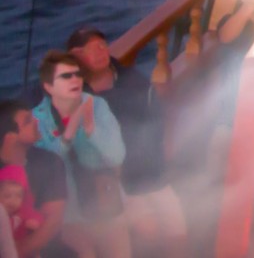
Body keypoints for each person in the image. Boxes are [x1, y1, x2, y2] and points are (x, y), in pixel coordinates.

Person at [67, 27, 188, 256]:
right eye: (91, 49)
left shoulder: (133, 81)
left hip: (150, 171)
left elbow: (158, 119)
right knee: (148, 232)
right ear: (76, 56)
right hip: (112, 183)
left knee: (177, 230)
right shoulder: (73, 96)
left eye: (102, 46)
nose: (101, 52)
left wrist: (164, 152)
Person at [32, 51, 130, 258]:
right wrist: (67, 136)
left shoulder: (97, 105)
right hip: (68, 212)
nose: (74, 79)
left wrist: (92, 130)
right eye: (66, 76)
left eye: (77, 74)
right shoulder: (38, 119)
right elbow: (46, 166)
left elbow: (117, 156)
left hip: (104, 199)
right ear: (48, 87)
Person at [0, 99, 77, 258]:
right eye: (28, 121)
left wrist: (15, 253)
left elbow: (52, 221)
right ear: (10, 137)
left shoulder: (49, 161)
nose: (36, 121)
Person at [0, 164, 44, 244]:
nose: (13, 201)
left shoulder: (22, 212)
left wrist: (35, 222)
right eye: (7, 196)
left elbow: (35, 215)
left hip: (20, 246)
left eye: (18, 196)